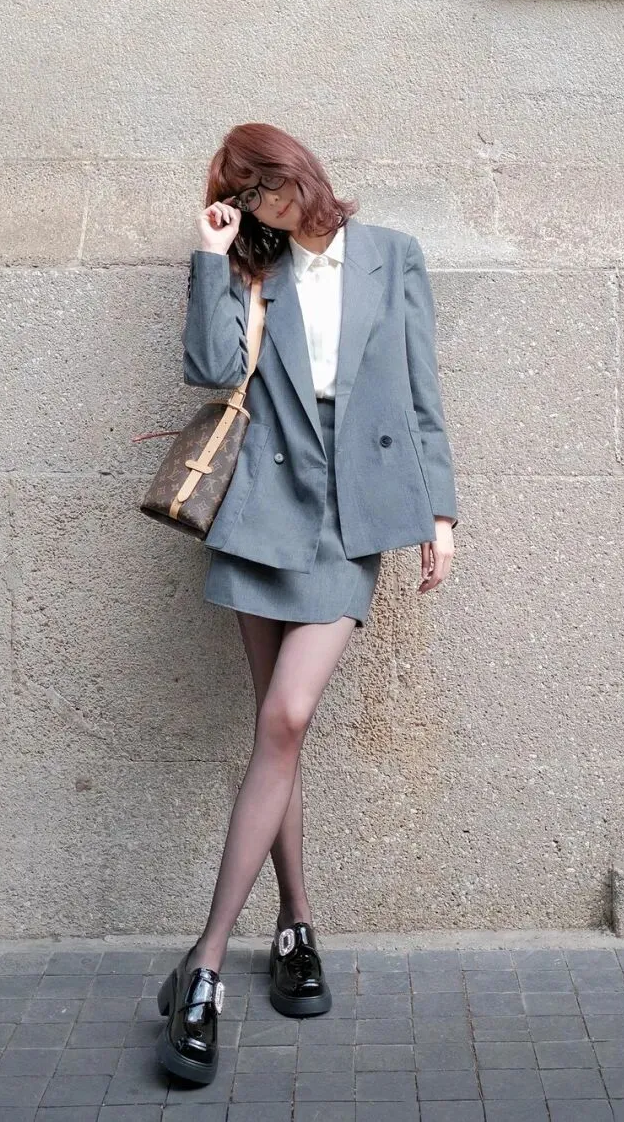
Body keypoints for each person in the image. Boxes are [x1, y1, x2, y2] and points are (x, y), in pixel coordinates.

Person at [156, 122, 458, 1086]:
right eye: (246, 195)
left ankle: (204, 963)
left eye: (270, 184)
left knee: (286, 718)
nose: (266, 204)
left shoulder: (391, 255)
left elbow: (420, 391)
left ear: (303, 172)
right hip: (261, 513)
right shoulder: (255, 268)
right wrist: (212, 256)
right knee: (274, 734)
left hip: (348, 515)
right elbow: (212, 368)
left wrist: (438, 510)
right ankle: (295, 928)